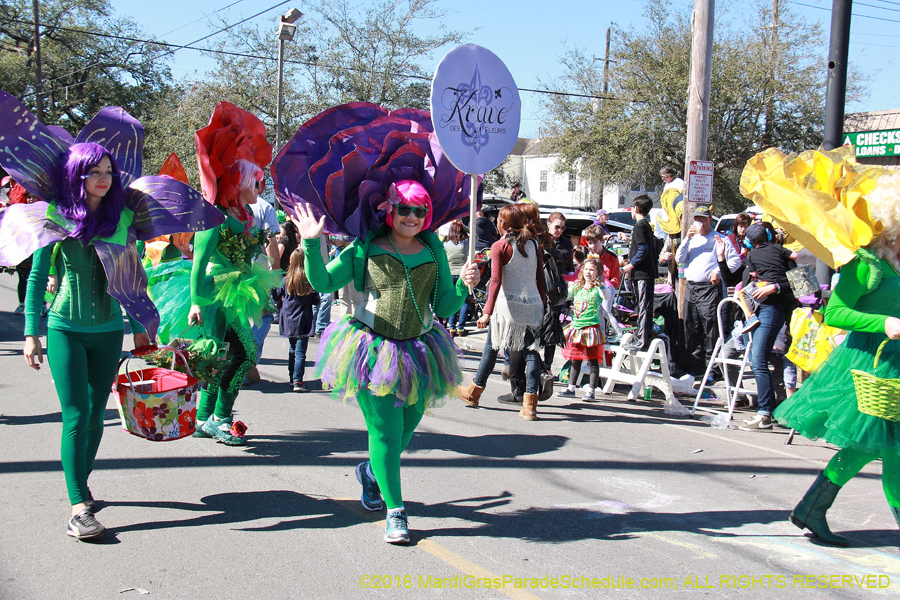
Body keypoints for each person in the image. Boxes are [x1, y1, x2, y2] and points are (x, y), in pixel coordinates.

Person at [293, 181, 479, 544]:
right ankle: (396, 511)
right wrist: (311, 242)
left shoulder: (432, 247)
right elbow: (321, 281)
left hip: (421, 350)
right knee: (386, 433)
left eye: (420, 210)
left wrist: (464, 285)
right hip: (372, 350)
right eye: (405, 209)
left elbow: (443, 307)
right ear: (389, 210)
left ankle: (371, 472)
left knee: (406, 427)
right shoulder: (365, 246)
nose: (412, 217)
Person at [188, 102, 278, 445]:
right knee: (244, 355)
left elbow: (253, 258)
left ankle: (203, 417)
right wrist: (197, 302)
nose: (261, 184)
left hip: (240, 289)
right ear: (238, 178)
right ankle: (222, 419)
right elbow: (199, 262)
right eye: (256, 178)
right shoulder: (213, 216)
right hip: (216, 293)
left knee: (223, 354)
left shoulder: (244, 214)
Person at [458, 205, 546, 418]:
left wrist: (486, 312)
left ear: (503, 224)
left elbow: (496, 280)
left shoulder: (499, 245)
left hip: (508, 309)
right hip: (533, 305)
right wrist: (542, 305)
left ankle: (474, 392)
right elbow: (539, 278)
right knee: (532, 352)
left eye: (498, 219)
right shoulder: (533, 243)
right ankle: (530, 405)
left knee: (491, 348)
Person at [736, 223, 798, 430]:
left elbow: (803, 283)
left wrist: (775, 287)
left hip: (774, 310)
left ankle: (765, 413)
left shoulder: (782, 256)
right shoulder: (756, 256)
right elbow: (745, 281)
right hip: (757, 310)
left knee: (759, 360)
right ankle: (767, 411)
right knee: (757, 360)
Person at [675, 205, 741, 378]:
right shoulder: (692, 239)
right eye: (697, 219)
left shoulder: (720, 239)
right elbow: (679, 259)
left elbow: (735, 262)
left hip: (709, 288)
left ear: (710, 220)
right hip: (691, 286)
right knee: (691, 327)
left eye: (703, 219)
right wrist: (687, 239)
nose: (700, 223)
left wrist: (718, 272)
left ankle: (713, 370)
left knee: (711, 329)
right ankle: (695, 369)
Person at [557, 258, 605, 400]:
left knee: (592, 361)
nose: (588, 272)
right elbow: (565, 295)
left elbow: (606, 297)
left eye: (592, 270)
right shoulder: (578, 287)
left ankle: (591, 391)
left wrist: (601, 286)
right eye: (586, 269)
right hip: (577, 328)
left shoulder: (597, 289)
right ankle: (571, 388)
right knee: (575, 359)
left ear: (598, 272)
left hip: (591, 329)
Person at [273, 247, 319, 392]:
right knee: (300, 352)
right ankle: (298, 381)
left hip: (288, 318)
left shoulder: (285, 280)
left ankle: (292, 378)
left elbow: (275, 295)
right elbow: (316, 300)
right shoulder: (308, 280)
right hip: (304, 319)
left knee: (292, 350)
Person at [621, 195, 658, 351]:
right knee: (644, 306)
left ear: (635, 209)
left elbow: (643, 249)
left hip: (643, 274)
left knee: (643, 307)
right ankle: (642, 337)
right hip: (646, 273)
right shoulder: (646, 226)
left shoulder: (639, 226)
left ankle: (641, 341)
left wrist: (630, 265)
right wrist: (629, 241)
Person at [443, 220, 471, 336]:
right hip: (463, 274)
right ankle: (461, 328)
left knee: (453, 301)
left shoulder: (445, 243)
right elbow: (476, 236)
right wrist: (464, 226)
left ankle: (452, 327)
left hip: (449, 275)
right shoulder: (466, 242)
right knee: (465, 302)